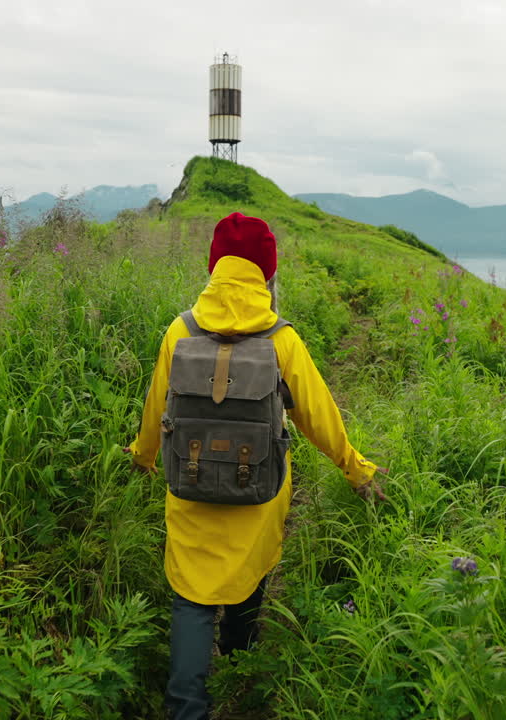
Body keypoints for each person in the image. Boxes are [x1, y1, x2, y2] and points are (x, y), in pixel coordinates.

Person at [125, 211, 387, 720]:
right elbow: (319, 416)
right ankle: (241, 657)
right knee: (250, 574)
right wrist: (357, 470)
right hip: (258, 491)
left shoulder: (180, 331)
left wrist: (142, 459)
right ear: (267, 273)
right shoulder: (281, 339)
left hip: (190, 487)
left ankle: (186, 706)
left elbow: (157, 410)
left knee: (191, 596)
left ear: (215, 267)